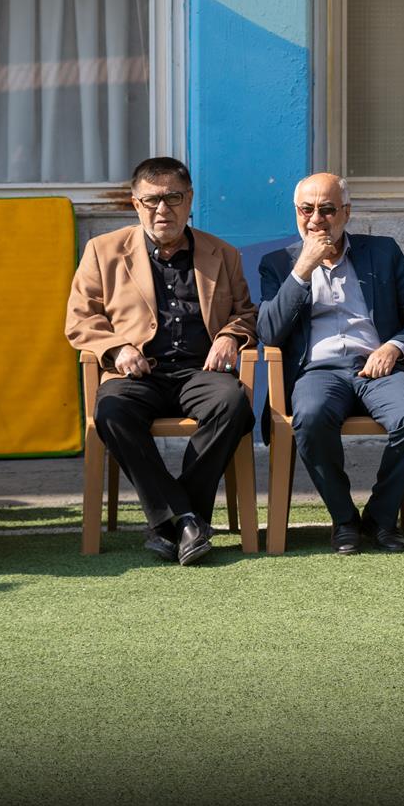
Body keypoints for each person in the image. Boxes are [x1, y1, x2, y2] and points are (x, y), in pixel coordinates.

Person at [66, 157, 257, 566]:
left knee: (233, 404)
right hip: (137, 371)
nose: (162, 209)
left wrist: (229, 335)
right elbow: (80, 320)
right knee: (111, 410)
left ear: (190, 200)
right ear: (135, 204)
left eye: (173, 198)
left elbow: (246, 313)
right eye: (151, 200)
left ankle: (172, 519)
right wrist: (117, 348)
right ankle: (186, 519)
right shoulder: (102, 251)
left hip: (199, 371)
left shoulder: (222, 253)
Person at [257, 173, 404, 555]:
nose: (316, 219)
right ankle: (343, 519)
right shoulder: (278, 263)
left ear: (346, 212)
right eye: (306, 210)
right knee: (310, 417)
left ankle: (379, 516)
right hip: (317, 373)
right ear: (296, 212)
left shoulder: (383, 252)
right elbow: (269, 333)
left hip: (379, 368)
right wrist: (302, 270)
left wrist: (394, 347)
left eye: (327, 209)